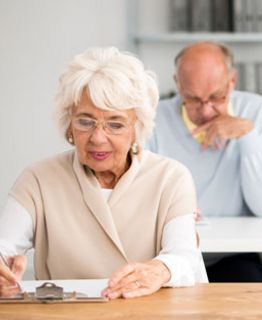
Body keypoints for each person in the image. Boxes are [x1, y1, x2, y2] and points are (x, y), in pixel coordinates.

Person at [0, 47, 207, 299]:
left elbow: (183, 255)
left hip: (148, 312)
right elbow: (4, 245)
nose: (98, 138)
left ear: (137, 128)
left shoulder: (170, 178)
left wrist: (159, 269)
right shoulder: (38, 179)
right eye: (85, 122)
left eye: (115, 124)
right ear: (69, 124)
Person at [148, 42, 262, 282]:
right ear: (177, 84)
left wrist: (247, 135)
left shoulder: (256, 110)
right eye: (193, 99)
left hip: (235, 255)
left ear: (232, 81)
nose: (207, 110)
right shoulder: (153, 118)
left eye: (216, 97)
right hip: (169, 254)